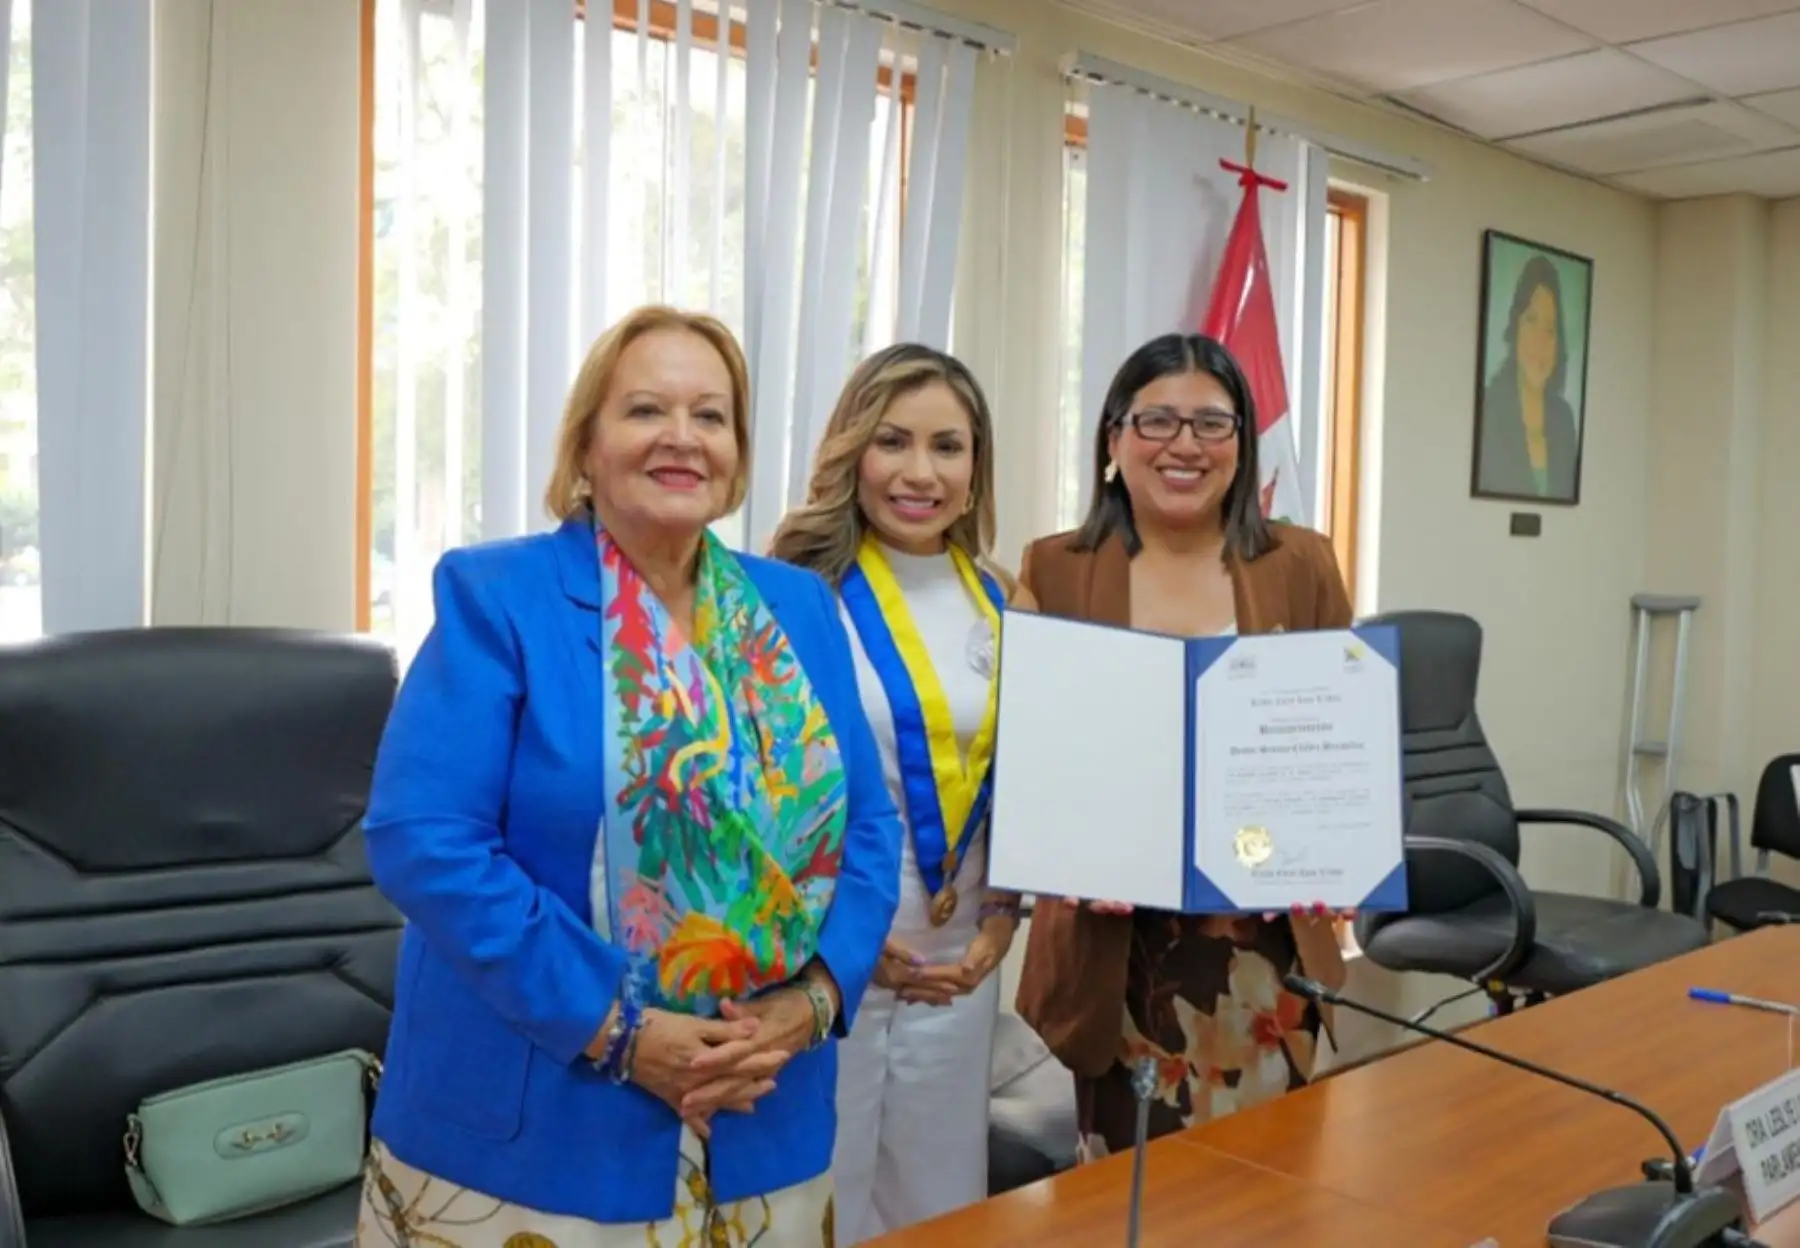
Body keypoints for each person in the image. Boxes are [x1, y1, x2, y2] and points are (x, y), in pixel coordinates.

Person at [354, 305, 902, 1246]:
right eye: (647, 410)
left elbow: (868, 830)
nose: (682, 437)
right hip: (537, 1132)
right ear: (586, 446)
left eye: (711, 415)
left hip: (762, 1113)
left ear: (737, 452)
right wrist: (617, 1026)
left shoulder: (799, 608)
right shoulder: (499, 598)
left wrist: (810, 1003)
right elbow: (424, 840)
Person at [1012, 332, 1352, 1163]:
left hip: (1263, 949)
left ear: (1242, 443)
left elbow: (1338, 739)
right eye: (1157, 420)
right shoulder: (1056, 570)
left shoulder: (1300, 564)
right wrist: (1067, 854)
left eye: (1211, 423)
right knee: (1130, 1193)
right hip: (1115, 956)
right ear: (1114, 437)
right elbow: (1033, 758)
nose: (1185, 445)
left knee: (1272, 1182)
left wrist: (1330, 850)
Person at [769, 343, 1029, 1244]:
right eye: (893, 441)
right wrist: (844, 938)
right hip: (827, 958)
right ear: (853, 451)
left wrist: (1002, 922)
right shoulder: (796, 592)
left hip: (959, 965)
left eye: (947, 447)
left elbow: (1024, 780)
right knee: (818, 1198)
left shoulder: (1006, 601)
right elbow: (769, 791)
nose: (921, 473)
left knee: (939, 1202)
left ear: (976, 466)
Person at [1475, 253, 1581, 501]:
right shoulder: (1490, 409)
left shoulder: (1564, 420)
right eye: (1531, 321)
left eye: (1550, 330)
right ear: (1515, 328)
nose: (1540, 342)